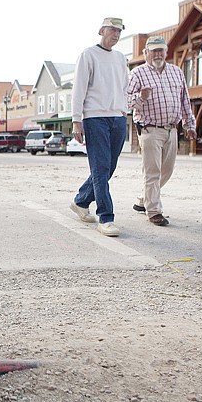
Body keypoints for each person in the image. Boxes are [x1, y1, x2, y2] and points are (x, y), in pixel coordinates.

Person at [126, 36, 196, 226]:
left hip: (171, 129)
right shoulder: (137, 74)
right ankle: (154, 211)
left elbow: (185, 100)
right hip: (150, 130)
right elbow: (126, 102)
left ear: (166, 52)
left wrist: (189, 124)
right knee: (153, 171)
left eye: (161, 50)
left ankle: (143, 200)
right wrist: (141, 97)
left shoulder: (176, 72)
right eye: (153, 50)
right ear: (146, 53)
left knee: (167, 170)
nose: (157, 54)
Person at [69, 17, 129, 237]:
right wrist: (77, 120)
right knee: (101, 168)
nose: (116, 34)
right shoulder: (88, 55)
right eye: (113, 30)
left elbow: (124, 87)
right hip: (94, 119)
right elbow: (79, 89)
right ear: (102, 30)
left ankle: (81, 201)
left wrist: (124, 110)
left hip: (118, 118)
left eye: (119, 31)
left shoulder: (121, 58)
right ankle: (106, 217)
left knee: (108, 168)